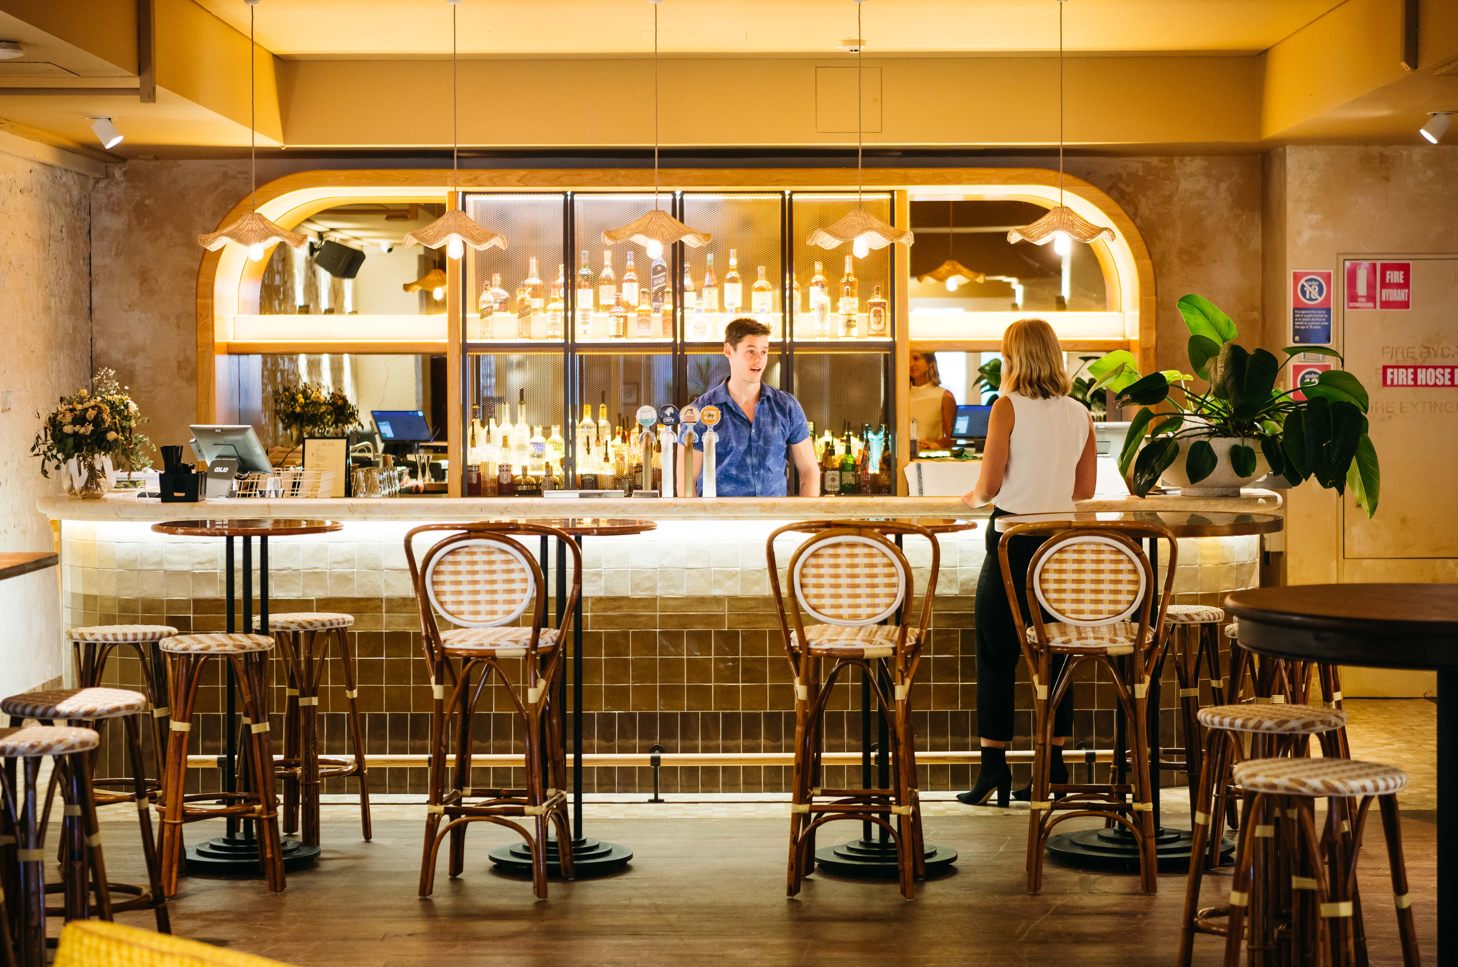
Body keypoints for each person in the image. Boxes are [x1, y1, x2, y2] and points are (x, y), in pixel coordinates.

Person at [955, 318, 1098, 807]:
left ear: (1013, 357)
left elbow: (989, 486)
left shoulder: (1007, 405)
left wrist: (968, 499)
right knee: (1056, 653)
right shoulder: (1080, 412)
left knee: (997, 655)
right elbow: (1084, 491)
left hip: (1012, 542)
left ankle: (993, 769)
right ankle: (1052, 768)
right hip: (1060, 545)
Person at [687, 317, 820, 497]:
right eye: (750, 351)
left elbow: (809, 472)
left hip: (775, 514)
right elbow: (687, 481)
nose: (759, 359)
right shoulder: (700, 411)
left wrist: (805, 515)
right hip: (719, 515)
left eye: (764, 352)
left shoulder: (786, 406)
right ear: (728, 351)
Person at [908, 351, 956, 450]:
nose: (911, 364)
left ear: (930, 362)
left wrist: (932, 444)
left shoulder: (945, 396)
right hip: (901, 457)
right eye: (907, 359)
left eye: (916, 358)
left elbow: (952, 438)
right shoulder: (899, 396)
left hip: (930, 457)